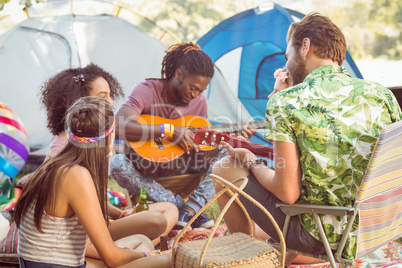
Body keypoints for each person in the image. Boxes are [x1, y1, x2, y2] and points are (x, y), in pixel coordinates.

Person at [211, 12, 402, 266]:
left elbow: (287, 193)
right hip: (377, 226)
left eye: (287, 56)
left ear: (305, 46)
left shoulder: (288, 101)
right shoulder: (381, 95)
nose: (286, 64)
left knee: (225, 167)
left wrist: (251, 161)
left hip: (324, 235)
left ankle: (250, 262)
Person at [16, 64, 178, 257]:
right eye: (103, 97)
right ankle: (137, 250)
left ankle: (137, 248)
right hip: (78, 240)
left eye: (110, 95)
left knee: (168, 210)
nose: (110, 102)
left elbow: (90, 198)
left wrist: (120, 214)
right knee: (156, 228)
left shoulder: (87, 147)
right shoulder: (70, 154)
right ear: (80, 101)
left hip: (88, 229)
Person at [110, 42, 255, 230]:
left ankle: (191, 208)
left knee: (231, 155)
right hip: (144, 167)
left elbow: (201, 151)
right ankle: (180, 208)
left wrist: (231, 140)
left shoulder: (199, 102)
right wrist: (168, 131)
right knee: (117, 165)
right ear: (178, 74)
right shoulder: (147, 90)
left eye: (201, 91)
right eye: (192, 88)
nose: (195, 95)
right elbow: (119, 126)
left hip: (180, 166)